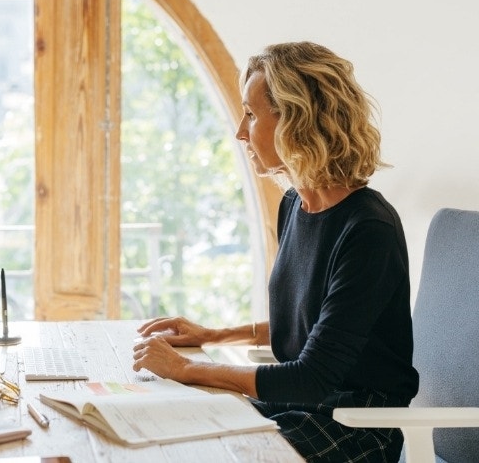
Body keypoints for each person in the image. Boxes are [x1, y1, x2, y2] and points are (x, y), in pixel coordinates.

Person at [132, 41, 419, 463]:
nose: (240, 131)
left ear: (298, 121)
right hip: (301, 407)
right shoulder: (295, 205)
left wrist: (188, 369)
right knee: (171, 424)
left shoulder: (368, 230)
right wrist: (213, 335)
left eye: (251, 113)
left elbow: (312, 375)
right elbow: (315, 326)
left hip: (355, 426)